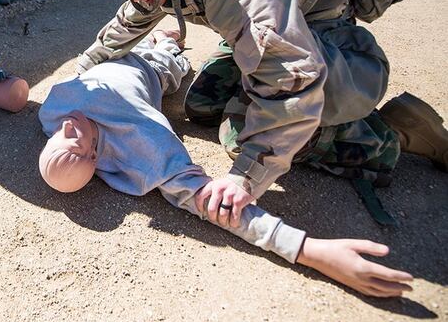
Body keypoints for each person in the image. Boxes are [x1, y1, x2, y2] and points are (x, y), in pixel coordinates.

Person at [77, 0, 447, 224]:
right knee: (203, 104)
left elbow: (290, 75)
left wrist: (245, 178)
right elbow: (129, 21)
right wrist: (81, 79)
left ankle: (389, 136)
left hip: (327, 46)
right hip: (272, 34)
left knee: (241, 136)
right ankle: (266, 99)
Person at [38, 32, 413, 297]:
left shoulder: (51, 113)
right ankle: (384, 133)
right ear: (94, 158)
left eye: (61, 136)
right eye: (78, 144)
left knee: (166, 44)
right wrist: (308, 250)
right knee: (175, 62)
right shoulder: (141, 141)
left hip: (113, 52)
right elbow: (208, 200)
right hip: (153, 70)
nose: (68, 126)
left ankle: (184, 43)